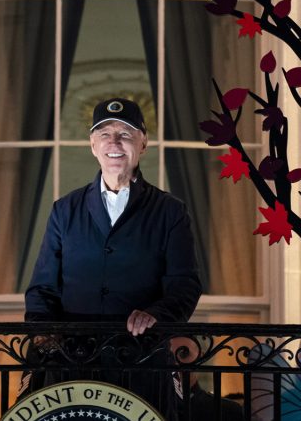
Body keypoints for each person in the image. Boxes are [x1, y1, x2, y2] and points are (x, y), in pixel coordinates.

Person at [24, 97, 203, 415]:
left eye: (126, 132)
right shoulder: (64, 210)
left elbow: (185, 285)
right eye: (105, 133)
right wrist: (44, 335)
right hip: (74, 365)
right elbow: (42, 289)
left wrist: (156, 314)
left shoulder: (170, 211)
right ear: (93, 145)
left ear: (143, 143)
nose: (115, 142)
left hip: (141, 363)